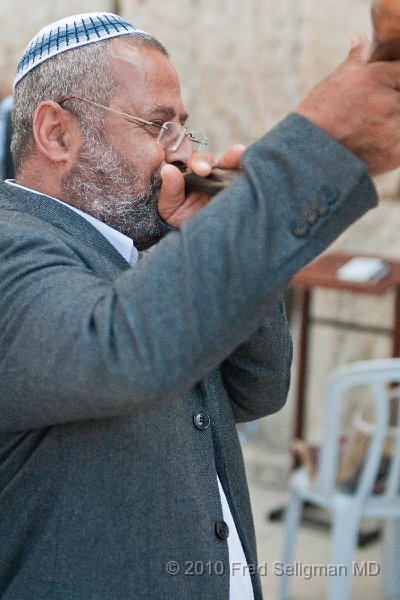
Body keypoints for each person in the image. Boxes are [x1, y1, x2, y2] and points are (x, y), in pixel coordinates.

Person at [0, 11, 400, 599]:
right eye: (158, 126)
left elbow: (258, 391)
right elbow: (120, 350)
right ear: (58, 133)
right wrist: (319, 148)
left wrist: (203, 236)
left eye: (184, 128)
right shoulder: (13, 244)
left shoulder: (140, 244)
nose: (182, 153)